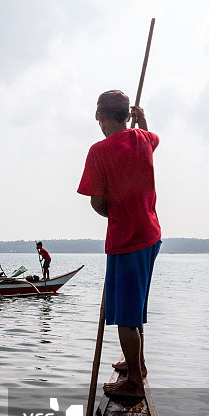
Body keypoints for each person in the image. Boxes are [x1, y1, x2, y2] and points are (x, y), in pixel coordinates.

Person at [77, 90, 161, 399]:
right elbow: (152, 139)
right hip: (151, 234)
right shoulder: (143, 139)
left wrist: (115, 208)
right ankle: (135, 362)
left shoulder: (99, 151)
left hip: (126, 239)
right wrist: (142, 123)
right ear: (127, 115)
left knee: (126, 316)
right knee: (136, 306)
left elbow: (98, 204)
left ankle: (135, 383)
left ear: (99, 116)